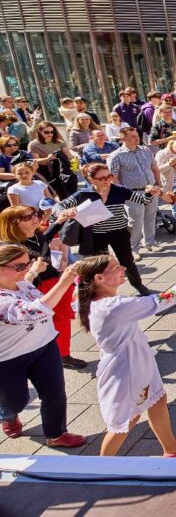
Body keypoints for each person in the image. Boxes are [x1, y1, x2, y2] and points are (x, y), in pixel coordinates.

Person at [75, 250, 176, 456]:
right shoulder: (115, 306)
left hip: (134, 359)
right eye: (116, 268)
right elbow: (168, 298)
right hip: (127, 367)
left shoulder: (89, 299)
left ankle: (171, 446)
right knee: (127, 419)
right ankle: (100, 467)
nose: (123, 269)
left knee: (157, 398)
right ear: (99, 278)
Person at [0, 245, 86, 447]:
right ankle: (8, 415)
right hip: (8, 358)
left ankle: (56, 434)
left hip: (44, 346)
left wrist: (31, 271)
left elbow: (29, 285)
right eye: (20, 265)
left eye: (27, 262)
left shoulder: (21, 282)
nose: (26, 268)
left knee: (54, 391)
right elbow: (34, 311)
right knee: (17, 401)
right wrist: (66, 279)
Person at [53, 163, 159, 296]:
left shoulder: (119, 190)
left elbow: (144, 201)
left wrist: (150, 194)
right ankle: (102, 291)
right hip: (97, 236)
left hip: (119, 233)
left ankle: (138, 285)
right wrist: (65, 211)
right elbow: (59, 206)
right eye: (102, 178)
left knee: (127, 261)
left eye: (109, 176)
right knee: (101, 265)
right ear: (91, 179)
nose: (107, 180)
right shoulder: (84, 194)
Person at [0, 206, 80, 368]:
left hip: (52, 281)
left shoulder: (36, 236)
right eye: (28, 217)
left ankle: (63, 354)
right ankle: (48, 355)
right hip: (30, 290)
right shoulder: (10, 247)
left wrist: (60, 220)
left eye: (34, 214)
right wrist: (32, 271)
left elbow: (46, 237)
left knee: (62, 319)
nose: (35, 218)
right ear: (13, 223)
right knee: (43, 322)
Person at [107, 127, 161, 254]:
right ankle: (132, 249)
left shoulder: (145, 150)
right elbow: (113, 177)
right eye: (132, 136)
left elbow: (154, 167)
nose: (137, 138)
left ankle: (150, 242)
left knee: (150, 217)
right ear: (123, 138)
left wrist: (159, 184)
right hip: (132, 193)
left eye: (137, 135)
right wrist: (121, 193)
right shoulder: (116, 156)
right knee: (135, 221)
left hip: (151, 189)